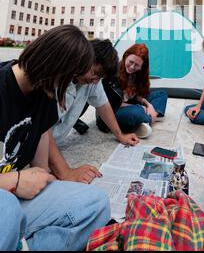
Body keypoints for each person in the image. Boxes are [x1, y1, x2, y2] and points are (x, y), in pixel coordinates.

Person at [0, 26, 110, 251]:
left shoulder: (44, 93)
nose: (71, 87)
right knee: (8, 207)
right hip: (6, 197)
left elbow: (41, 171)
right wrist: (14, 181)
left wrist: (60, 178)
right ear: (55, 69)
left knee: (96, 203)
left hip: (17, 195)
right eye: (71, 79)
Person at [50, 39, 139, 184]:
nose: (96, 81)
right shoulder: (56, 80)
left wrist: (120, 135)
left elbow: (103, 104)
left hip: (53, 145)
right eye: (95, 73)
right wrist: (65, 172)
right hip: (32, 148)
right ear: (84, 58)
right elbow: (42, 131)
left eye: (100, 77)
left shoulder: (91, 80)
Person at [98, 43, 168, 139]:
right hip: (114, 110)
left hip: (130, 103)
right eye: (131, 62)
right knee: (137, 111)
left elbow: (136, 95)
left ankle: (146, 119)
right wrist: (141, 107)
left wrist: (148, 105)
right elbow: (110, 104)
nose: (132, 67)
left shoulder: (137, 74)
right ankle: (149, 118)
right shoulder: (113, 73)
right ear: (126, 56)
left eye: (137, 65)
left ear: (142, 66)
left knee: (161, 94)